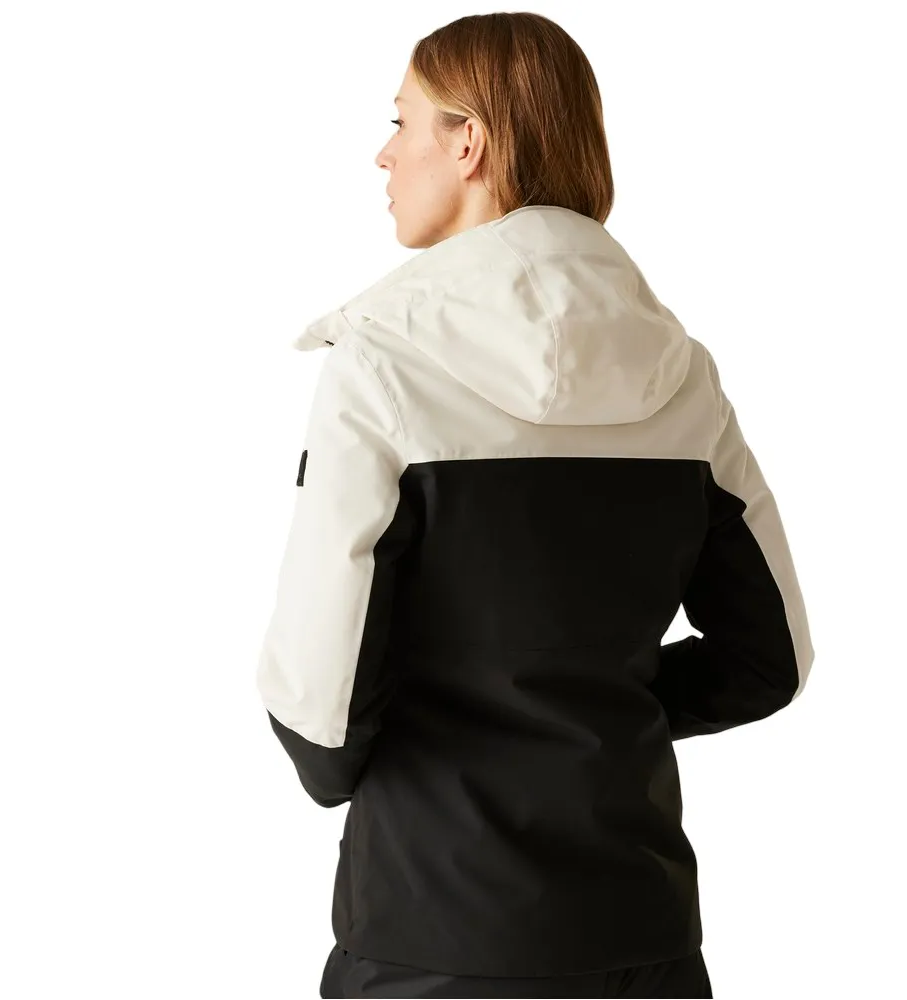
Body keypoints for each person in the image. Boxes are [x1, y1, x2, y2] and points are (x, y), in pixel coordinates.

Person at [255, 11, 814, 999]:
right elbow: (767, 659)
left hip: (437, 938)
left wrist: (450, 727)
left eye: (401, 121)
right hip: (643, 937)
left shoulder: (382, 362)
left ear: (468, 141)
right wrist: (592, 709)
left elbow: (322, 723)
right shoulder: (681, 374)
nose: (383, 153)